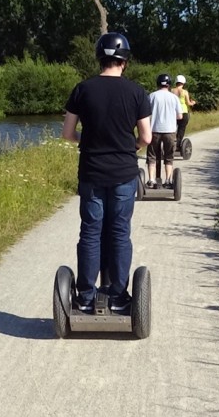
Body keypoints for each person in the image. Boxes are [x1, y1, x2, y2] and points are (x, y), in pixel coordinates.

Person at [61, 32, 152, 313]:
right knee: (119, 232)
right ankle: (118, 296)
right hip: (124, 172)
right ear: (125, 61)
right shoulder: (137, 92)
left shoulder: (82, 89)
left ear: (99, 58)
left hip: (92, 172)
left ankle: (86, 297)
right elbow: (146, 138)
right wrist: (129, 147)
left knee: (90, 232)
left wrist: (88, 141)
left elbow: (68, 133)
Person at [146, 74, 182, 189]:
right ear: (169, 84)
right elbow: (180, 116)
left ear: (158, 83)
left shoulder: (152, 96)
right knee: (168, 156)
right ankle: (168, 180)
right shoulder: (174, 98)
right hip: (170, 131)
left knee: (152, 156)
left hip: (154, 130)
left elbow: (146, 113)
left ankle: (151, 180)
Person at [173, 74, 195, 152]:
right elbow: (188, 103)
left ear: (176, 82)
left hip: (173, 112)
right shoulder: (185, 92)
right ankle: (177, 145)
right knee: (181, 129)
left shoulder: (171, 91)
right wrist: (193, 103)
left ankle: (170, 143)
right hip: (183, 112)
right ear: (183, 83)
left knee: (172, 128)